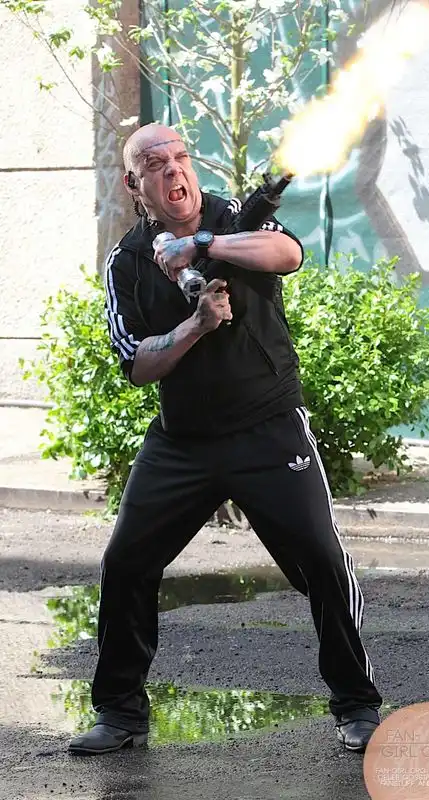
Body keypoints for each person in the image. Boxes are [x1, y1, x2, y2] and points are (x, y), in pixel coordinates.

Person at [69, 123, 382, 756]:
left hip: (269, 428)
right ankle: (120, 714)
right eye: (155, 164)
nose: (173, 171)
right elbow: (136, 364)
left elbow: (287, 254)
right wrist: (195, 326)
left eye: (180, 157)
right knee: (125, 564)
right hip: (183, 440)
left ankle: (357, 705)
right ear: (134, 184)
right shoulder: (127, 260)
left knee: (323, 563)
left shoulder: (233, 216)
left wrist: (207, 244)